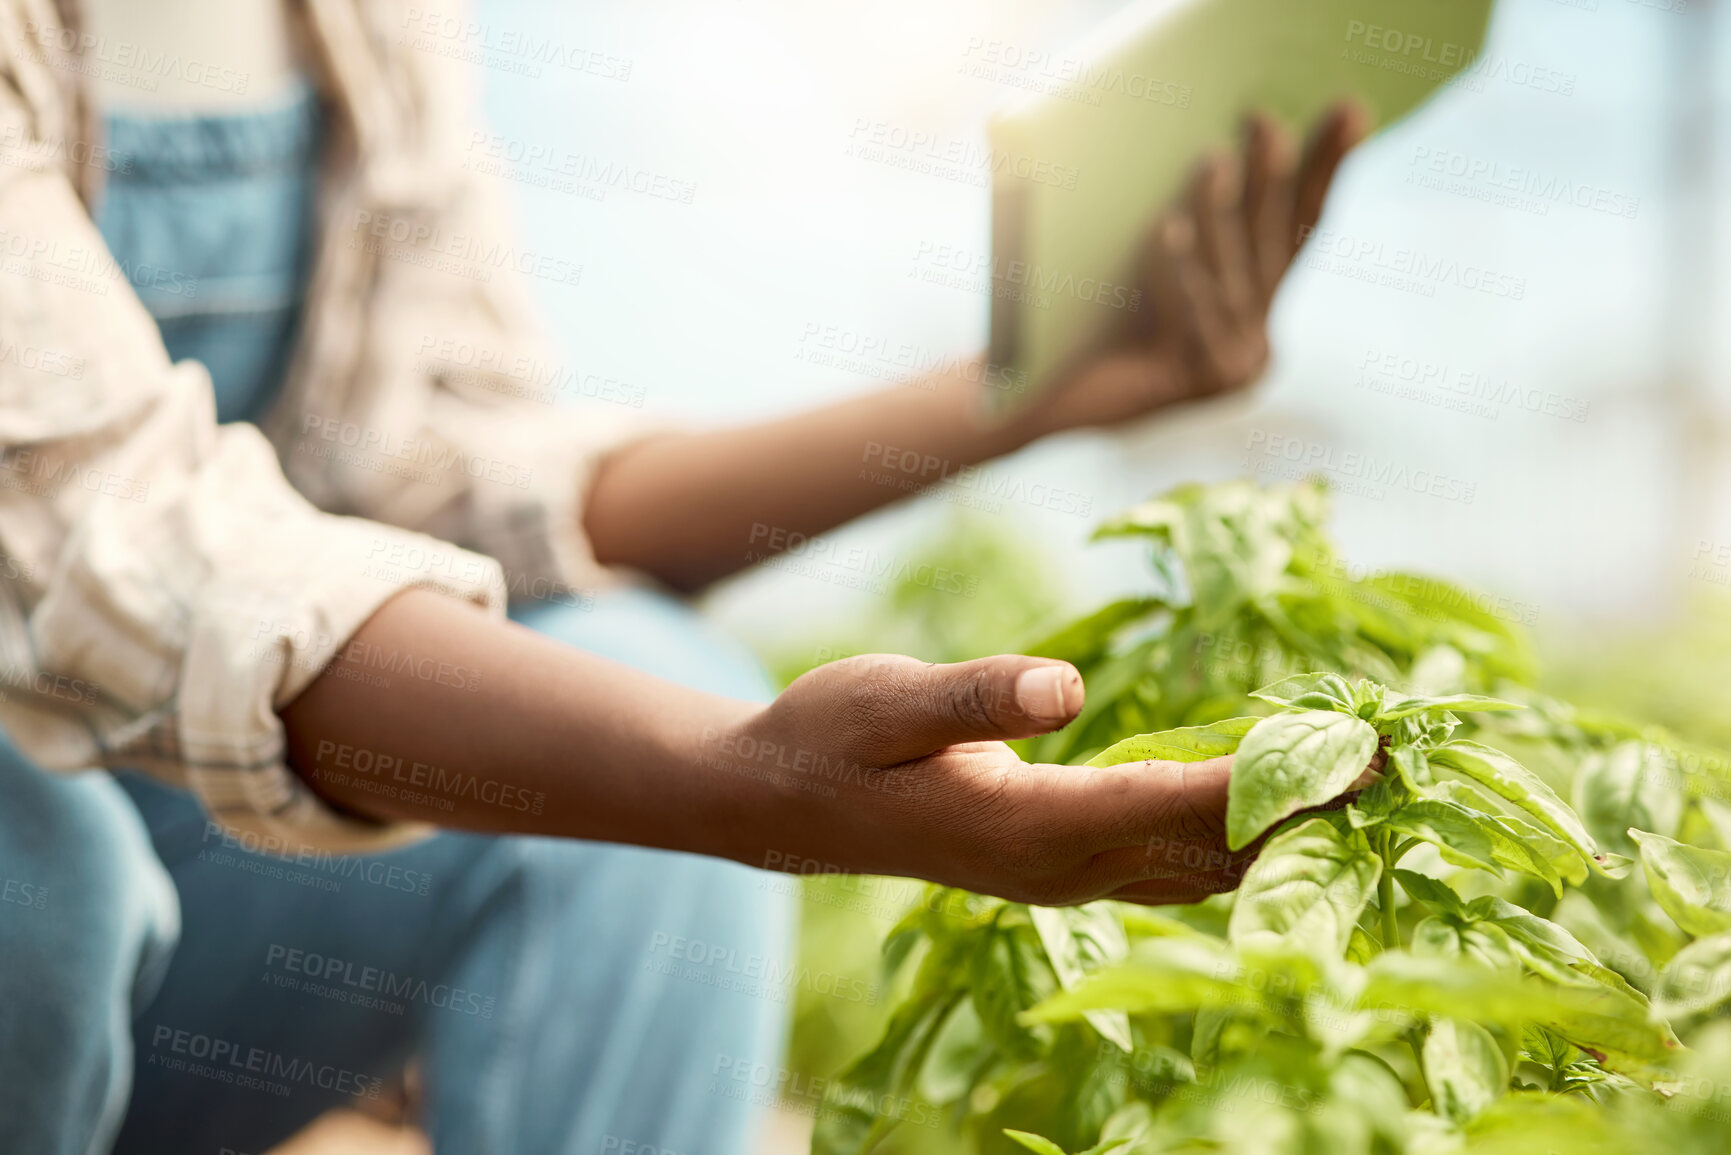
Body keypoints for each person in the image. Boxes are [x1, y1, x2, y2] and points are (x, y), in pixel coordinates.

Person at [0, 0, 1365, 1152]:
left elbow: (442, 471)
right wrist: (740, 776)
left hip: (203, 870)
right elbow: (110, 529)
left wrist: (1034, 394)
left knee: (651, 719)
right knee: (48, 876)